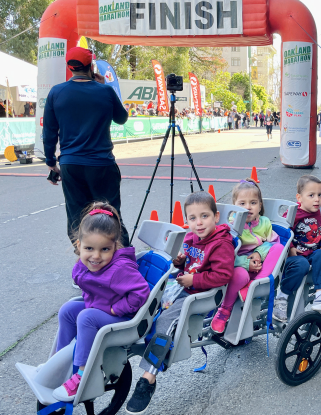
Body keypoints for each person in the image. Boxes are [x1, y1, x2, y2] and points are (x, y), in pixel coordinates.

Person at [126, 191, 235, 414]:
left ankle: (148, 379)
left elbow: (223, 275)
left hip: (201, 295)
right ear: (186, 220)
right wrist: (180, 263)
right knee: (148, 304)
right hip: (183, 287)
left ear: (216, 217)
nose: (199, 223)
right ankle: (133, 339)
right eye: (192, 218)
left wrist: (194, 278)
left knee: (165, 320)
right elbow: (188, 262)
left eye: (204, 216)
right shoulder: (190, 237)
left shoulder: (221, 244)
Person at [52, 202, 150, 402]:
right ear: (78, 246)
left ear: (115, 246)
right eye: (89, 248)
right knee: (68, 309)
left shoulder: (119, 269)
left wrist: (116, 309)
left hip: (124, 319)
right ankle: (58, 363)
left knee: (86, 317)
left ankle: (82, 375)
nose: (96, 256)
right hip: (101, 308)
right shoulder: (83, 263)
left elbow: (141, 293)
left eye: (105, 249)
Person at [42, 47, 130, 247]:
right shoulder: (105, 91)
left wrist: (50, 162)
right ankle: (124, 262)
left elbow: (49, 132)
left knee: (76, 218)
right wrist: (104, 86)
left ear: (70, 67)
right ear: (91, 66)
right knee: (111, 215)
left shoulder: (56, 92)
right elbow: (122, 118)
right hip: (102, 165)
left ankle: (85, 263)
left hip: (71, 164)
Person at [211, 178, 285, 331]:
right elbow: (225, 255)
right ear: (234, 206)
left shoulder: (264, 222)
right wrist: (245, 263)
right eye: (242, 203)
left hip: (261, 267)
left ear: (260, 205)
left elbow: (273, 242)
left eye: (253, 203)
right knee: (240, 275)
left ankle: (255, 285)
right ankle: (224, 311)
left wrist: (258, 253)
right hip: (238, 264)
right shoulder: (231, 225)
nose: (248, 207)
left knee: (278, 248)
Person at [272, 175, 321, 321]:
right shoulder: (293, 213)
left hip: (312, 253)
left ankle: (320, 295)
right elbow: (283, 233)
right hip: (295, 257)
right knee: (301, 264)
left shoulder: (317, 209)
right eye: (311, 195)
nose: (317, 199)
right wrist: (290, 248)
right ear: (299, 197)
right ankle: (282, 297)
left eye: (320, 195)